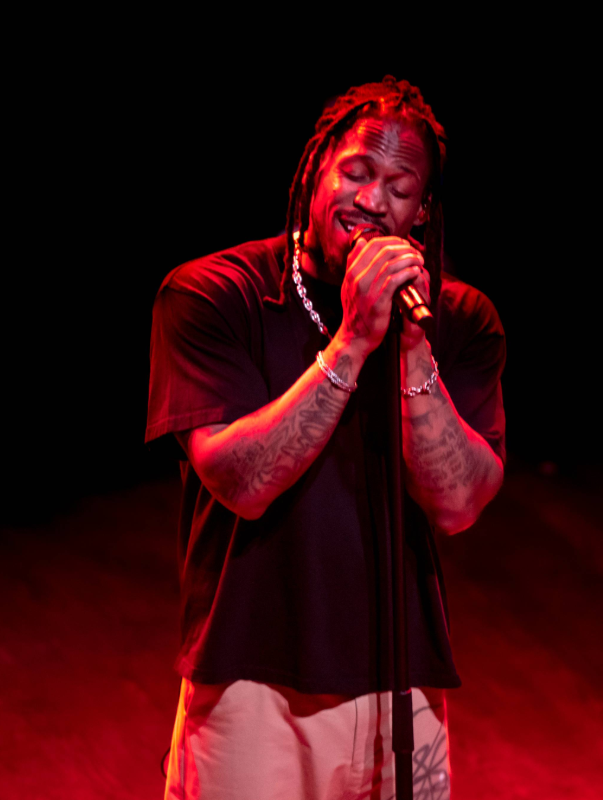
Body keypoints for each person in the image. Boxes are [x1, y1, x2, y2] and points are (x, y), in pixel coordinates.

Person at [146, 76, 505, 800]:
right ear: (315, 171)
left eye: (400, 186)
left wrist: (407, 350)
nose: (374, 201)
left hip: (401, 681)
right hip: (252, 681)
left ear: (422, 210)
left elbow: (460, 502)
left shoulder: (456, 318)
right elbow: (241, 482)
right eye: (358, 172)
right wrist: (351, 342)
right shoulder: (216, 296)